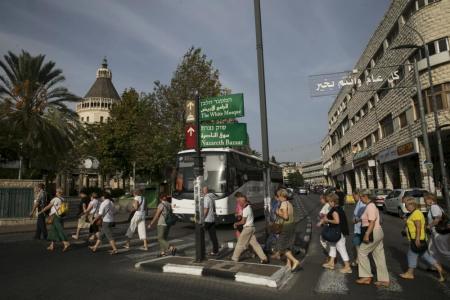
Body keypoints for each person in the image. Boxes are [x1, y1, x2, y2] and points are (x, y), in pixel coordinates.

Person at [399, 197, 445, 282]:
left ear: (412, 205)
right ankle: (440, 269)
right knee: (425, 256)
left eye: (406, 205)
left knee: (411, 255)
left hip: (417, 239)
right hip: (419, 238)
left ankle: (410, 273)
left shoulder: (416, 213)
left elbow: (418, 227)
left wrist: (417, 239)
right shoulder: (414, 213)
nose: (405, 207)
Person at [356, 189, 389, 287]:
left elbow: (372, 222)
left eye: (360, 196)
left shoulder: (370, 206)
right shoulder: (371, 206)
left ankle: (366, 276)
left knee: (362, 252)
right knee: (379, 256)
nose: (360, 199)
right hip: (378, 231)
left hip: (373, 232)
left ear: (365, 196)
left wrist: (367, 234)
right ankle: (384, 280)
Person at [231, 192, 268, 264]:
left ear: (243, 201)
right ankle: (264, 258)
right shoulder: (249, 207)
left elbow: (243, 221)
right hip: (252, 227)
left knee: (240, 243)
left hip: (247, 228)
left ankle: (234, 258)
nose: (239, 203)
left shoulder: (245, 209)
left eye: (239, 202)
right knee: (255, 244)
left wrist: (236, 223)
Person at [320, 193, 352, 274]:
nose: (328, 203)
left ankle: (347, 267)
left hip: (338, 232)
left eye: (329, 201)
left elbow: (337, 221)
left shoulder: (335, 210)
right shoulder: (338, 208)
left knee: (341, 249)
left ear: (333, 201)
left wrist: (327, 220)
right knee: (332, 246)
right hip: (338, 231)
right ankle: (331, 263)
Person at [275, 189, 300, 271]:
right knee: (288, 246)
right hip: (292, 226)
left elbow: (285, 217)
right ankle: (288, 264)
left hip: (286, 227)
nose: (278, 198)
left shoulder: (283, 204)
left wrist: (278, 212)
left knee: (281, 247)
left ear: (282, 196)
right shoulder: (289, 203)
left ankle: (295, 261)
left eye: (278, 196)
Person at [39, 188, 70, 252]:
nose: (55, 193)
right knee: (53, 231)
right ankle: (51, 245)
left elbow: (48, 206)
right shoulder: (62, 199)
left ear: (58, 193)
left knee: (59, 230)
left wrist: (41, 211)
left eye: (56, 192)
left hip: (55, 216)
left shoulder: (55, 199)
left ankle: (65, 243)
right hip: (60, 216)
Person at [351, 189, 366, 267]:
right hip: (358, 228)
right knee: (357, 244)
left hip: (361, 228)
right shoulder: (359, 203)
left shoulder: (362, 203)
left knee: (358, 245)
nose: (353, 198)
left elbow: (363, 215)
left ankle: (359, 261)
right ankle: (358, 259)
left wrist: (355, 219)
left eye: (354, 196)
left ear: (357, 195)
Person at [203, 186, 219, 256]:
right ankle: (215, 251)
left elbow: (206, 209)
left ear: (204, 191)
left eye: (202, 190)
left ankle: (201, 251)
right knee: (213, 236)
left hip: (207, 219)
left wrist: (202, 218)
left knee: (200, 233)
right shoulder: (212, 197)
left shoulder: (206, 198)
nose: (201, 191)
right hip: (212, 218)